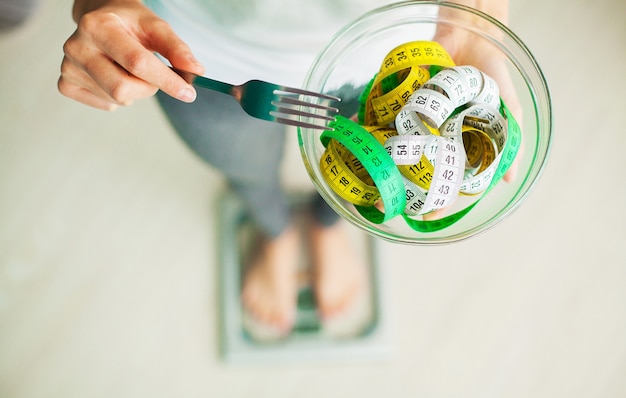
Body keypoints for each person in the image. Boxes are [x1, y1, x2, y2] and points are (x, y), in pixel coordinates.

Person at [58, 0, 514, 337]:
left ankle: (326, 223)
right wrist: (100, 6)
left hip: (393, 56)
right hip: (197, 58)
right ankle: (274, 229)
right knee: (246, 168)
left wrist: (472, 20)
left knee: (366, 177)